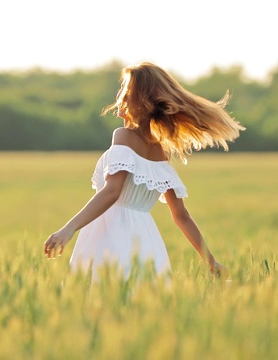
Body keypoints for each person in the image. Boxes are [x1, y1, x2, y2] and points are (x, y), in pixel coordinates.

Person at [44, 62, 244, 280]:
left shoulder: (123, 136)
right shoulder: (160, 151)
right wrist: (210, 260)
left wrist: (68, 229)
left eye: (127, 92)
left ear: (144, 101)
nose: (120, 95)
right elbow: (181, 216)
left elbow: (112, 192)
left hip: (111, 234)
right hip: (147, 239)